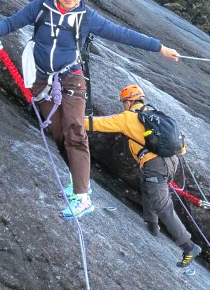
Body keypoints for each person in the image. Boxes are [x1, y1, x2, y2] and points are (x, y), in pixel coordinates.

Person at [0, 0, 180, 219]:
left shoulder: (86, 17)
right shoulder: (41, 8)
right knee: (59, 133)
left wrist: (159, 47)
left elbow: (122, 34)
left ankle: (83, 197)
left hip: (72, 79)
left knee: (75, 130)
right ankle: (77, 183)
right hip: (42, 81)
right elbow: (12, 22)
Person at [84, 84, 201, 267]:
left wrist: (74, 119)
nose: (123, 105)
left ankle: (189, 246)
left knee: (163, 205)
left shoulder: (128, 118)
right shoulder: (154, 114)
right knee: (148, 186)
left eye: (124, 102)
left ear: (129, 101)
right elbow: (181, 145)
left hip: (155, 165)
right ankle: (152, 224)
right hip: (171, 162)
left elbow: (98, 124)